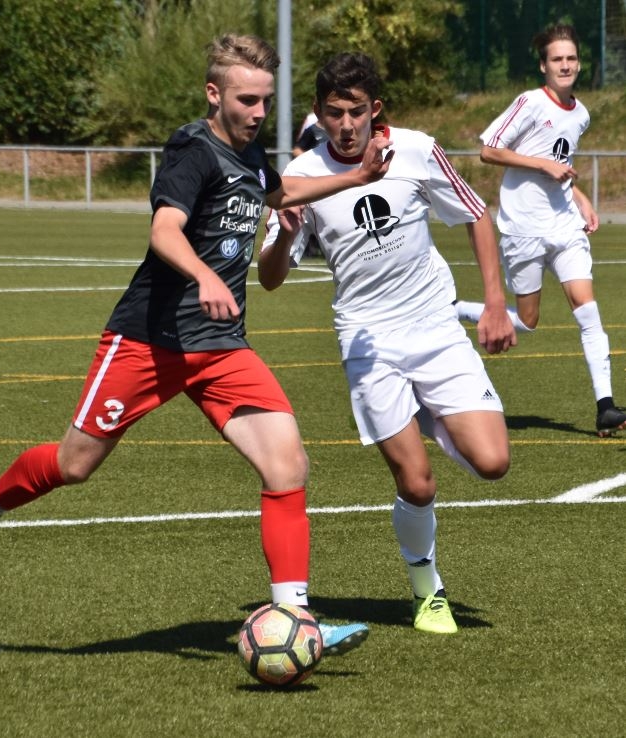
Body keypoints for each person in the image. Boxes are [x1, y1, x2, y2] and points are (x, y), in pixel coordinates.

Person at [0, 34, 394, 655]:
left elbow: (280, 192)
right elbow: (164, 230)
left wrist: (359, 176)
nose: (259, 112)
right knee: (74, 465)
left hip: (220, 346)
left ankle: (297, 617)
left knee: (287, 464)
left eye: (266, 100)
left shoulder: (250, 154)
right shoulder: (193, 151)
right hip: (148, 341)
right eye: (247, 100)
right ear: (214, 94)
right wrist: (205, 275)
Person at [259, 52, 516, 635]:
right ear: (318, 112)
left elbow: (476, 214)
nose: (346, 125)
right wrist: (286, 237)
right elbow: (269, 277)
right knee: (417, 483)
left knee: (493, 462)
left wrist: (494, 302)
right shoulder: (302, 175)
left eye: (356, 112)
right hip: (368, 340)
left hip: (434, 328)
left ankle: (430, 414)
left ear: (375, 110)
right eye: (334, 113)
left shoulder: (417, 149)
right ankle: (428, 592)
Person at [454, 24, 626, 438]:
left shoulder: (581, 114)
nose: (565, 65)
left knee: (588, 311)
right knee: (528, 321)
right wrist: (541, 164)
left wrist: (580, 198)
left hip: (564, 225)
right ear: (543, 66)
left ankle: (605, 407)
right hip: (523, 230)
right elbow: (488, 150)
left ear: (579, 64)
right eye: (556, 59)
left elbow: (561, 163)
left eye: (571, 58)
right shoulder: (530, 102)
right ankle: (453, 309)